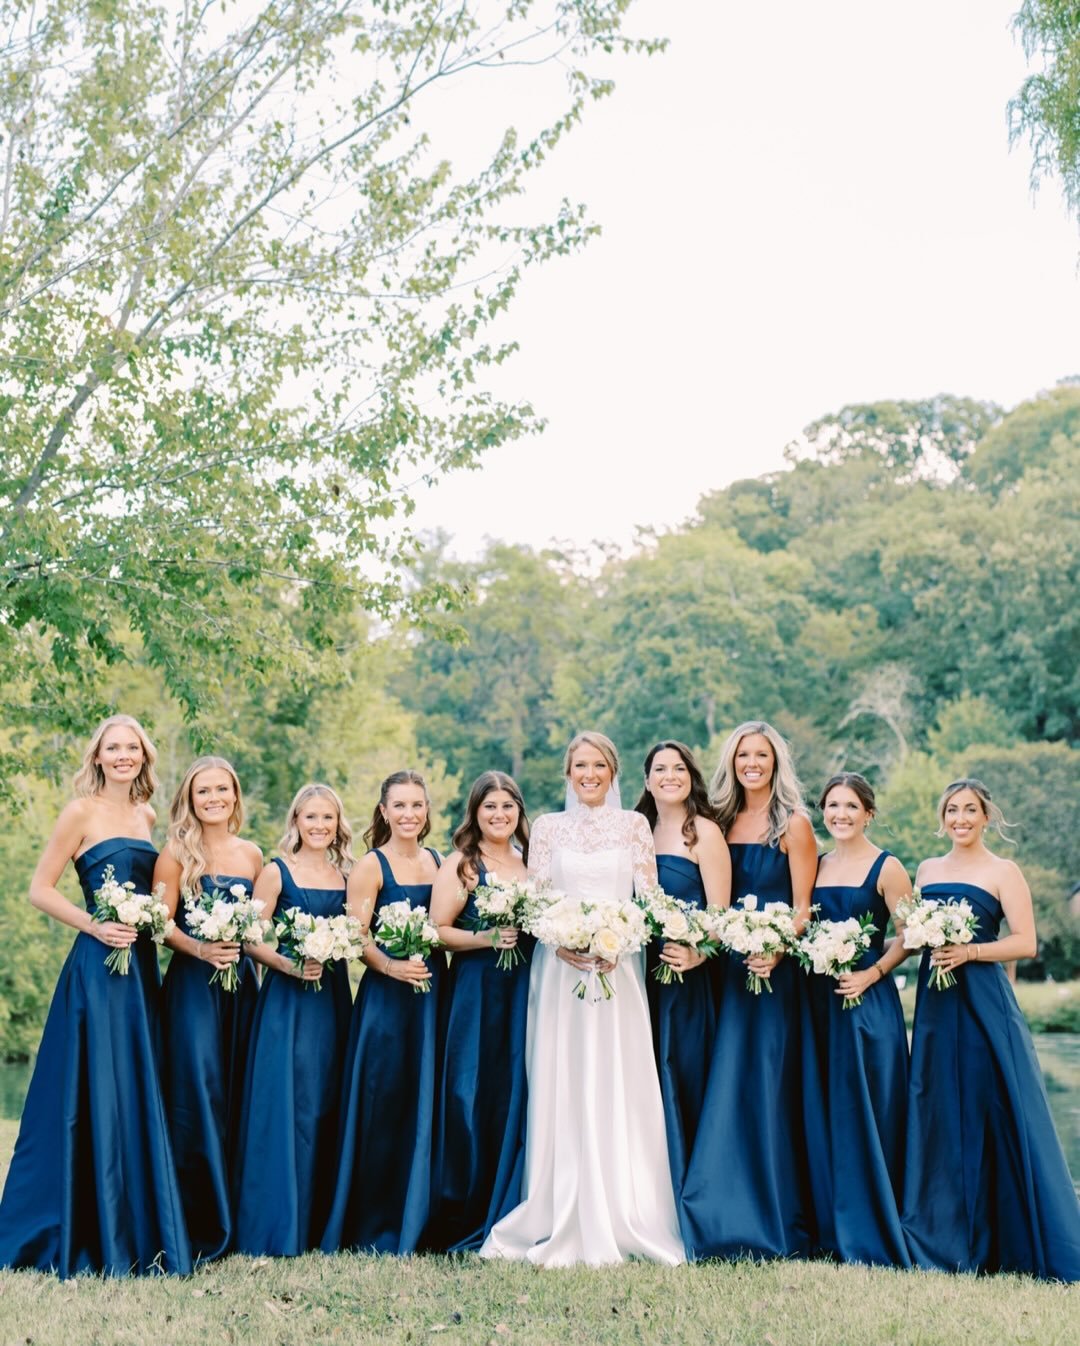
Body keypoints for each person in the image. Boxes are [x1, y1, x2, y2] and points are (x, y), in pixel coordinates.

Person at [480, 731, 685, 1267]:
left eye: (598, 765)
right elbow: (538, 899)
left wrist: (623, 940)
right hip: (559, 970)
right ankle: (557, 1206)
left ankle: (626, 1209)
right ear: (567, 772)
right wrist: (560, 939)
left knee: (617, 1076)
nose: (589, 774)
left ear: (613, 771)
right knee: (563, 1077)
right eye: (579, 766)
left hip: (619, 971)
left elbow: (650, 899)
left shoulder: (634, 826)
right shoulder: (546, 828)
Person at [0, 715, 191, 1277]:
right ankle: (78, 1225)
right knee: (89, 1088)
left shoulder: (147, 815)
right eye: (114, 748)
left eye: (133, 748)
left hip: (140, 969)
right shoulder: (79, 812)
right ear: (99, 756)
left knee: (133, 1085)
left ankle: (131, 1225)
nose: (124, 756)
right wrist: (93, 926)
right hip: (97, 965)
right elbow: (38, 890)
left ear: (143, 757)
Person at [902, 778, 1080, 1282]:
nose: (960, 818)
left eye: (970, 810)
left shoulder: (1004, 871)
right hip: (937, 1004)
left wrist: (971, 950)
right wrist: (919, 937)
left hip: (983, 1000)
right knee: (937, 1104)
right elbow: (914, 934)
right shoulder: (927, 869)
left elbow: (1025, 942)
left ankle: (1008, 1238)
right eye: (952, 810)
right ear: (943, 818)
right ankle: (942, 1237)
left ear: (986, 817)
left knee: (993, 1106)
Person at [681, 720, 817, 1261]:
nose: (751, 764)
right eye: (743, 756)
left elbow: (805, 908)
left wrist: (777, 948)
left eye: (761, 755)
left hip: (769, 973)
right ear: (731, 763)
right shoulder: (715, 819)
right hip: (718, 967)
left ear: (776, 761)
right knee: (716, 1079)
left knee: (760, 1085)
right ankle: (710, 1209)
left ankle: (772, 1215)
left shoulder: (795, 824)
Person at [320, 770, 445, 1254]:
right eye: (400, 806)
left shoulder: (440, 862)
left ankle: (425, 1216)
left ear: (427, 811)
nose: (410, 814)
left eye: (418, 805)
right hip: (386, 1000)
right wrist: (391, 967)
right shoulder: (371, 866)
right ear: (384, 810)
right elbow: (356, 935)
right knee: (384, 1102)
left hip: (432, 995)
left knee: (425, 1099)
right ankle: (376, 1220)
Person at [232, 784, 354, 1256]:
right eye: (310, 817)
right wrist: (286, 963)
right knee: (288, 1103)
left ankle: (324, 1221)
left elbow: (358, 934)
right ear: (296, 821)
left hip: (332, 999)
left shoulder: (348, 876)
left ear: (337, 823)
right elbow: (249, 938)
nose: (319, 826)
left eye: (327, 818)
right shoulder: (276, 872)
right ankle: (279, 1221)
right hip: (287, 999)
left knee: (326, 1100)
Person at [802, 772, 912, 1267]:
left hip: (867, 1004)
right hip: (817, 1003)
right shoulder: (816, 865)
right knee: (823, 1107)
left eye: (850, 806)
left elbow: (911, 937)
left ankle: (874, 1225)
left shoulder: (888, 868)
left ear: (869, 813)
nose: (839, 815)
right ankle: (826, 1225)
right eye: (832, 806)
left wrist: (872, 973)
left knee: (871, 1108)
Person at [156, 755, 263, 1261]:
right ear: (190, 799)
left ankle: (239, 1216)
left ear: (235, 796)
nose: (214, 797)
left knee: (239, 1090)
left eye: (223, 789)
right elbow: (160, 923)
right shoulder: (175, 853)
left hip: (241, 986)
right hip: (193, 988)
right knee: (197, 1091)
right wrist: (201, 949)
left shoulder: (253, 855)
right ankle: (195, 1220)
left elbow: (261, 926)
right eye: (204, 791)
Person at [425, 771, 533, 1252]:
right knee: (470, 1096)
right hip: (476, 989)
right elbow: (437, 930)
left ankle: (515, 1207)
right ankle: (464, 1210)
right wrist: (486, 938)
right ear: (475, 812)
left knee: (517, 1092)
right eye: (490, 807)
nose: (499, 815)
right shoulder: (462, 864)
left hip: (526, 988)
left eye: (508, 806)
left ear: (519, 812)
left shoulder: (532, 863)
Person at [634, 741, 730, 1201]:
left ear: (691, 776)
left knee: (682, 1070)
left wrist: (699, 952)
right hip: (635, 973)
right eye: (659, 768)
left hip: (685, 974)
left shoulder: (705, 833)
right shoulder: (635, 831)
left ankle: (686, 1189)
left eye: (678, 768)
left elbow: (720, 913)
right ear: (647, 778)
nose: (669, 775)